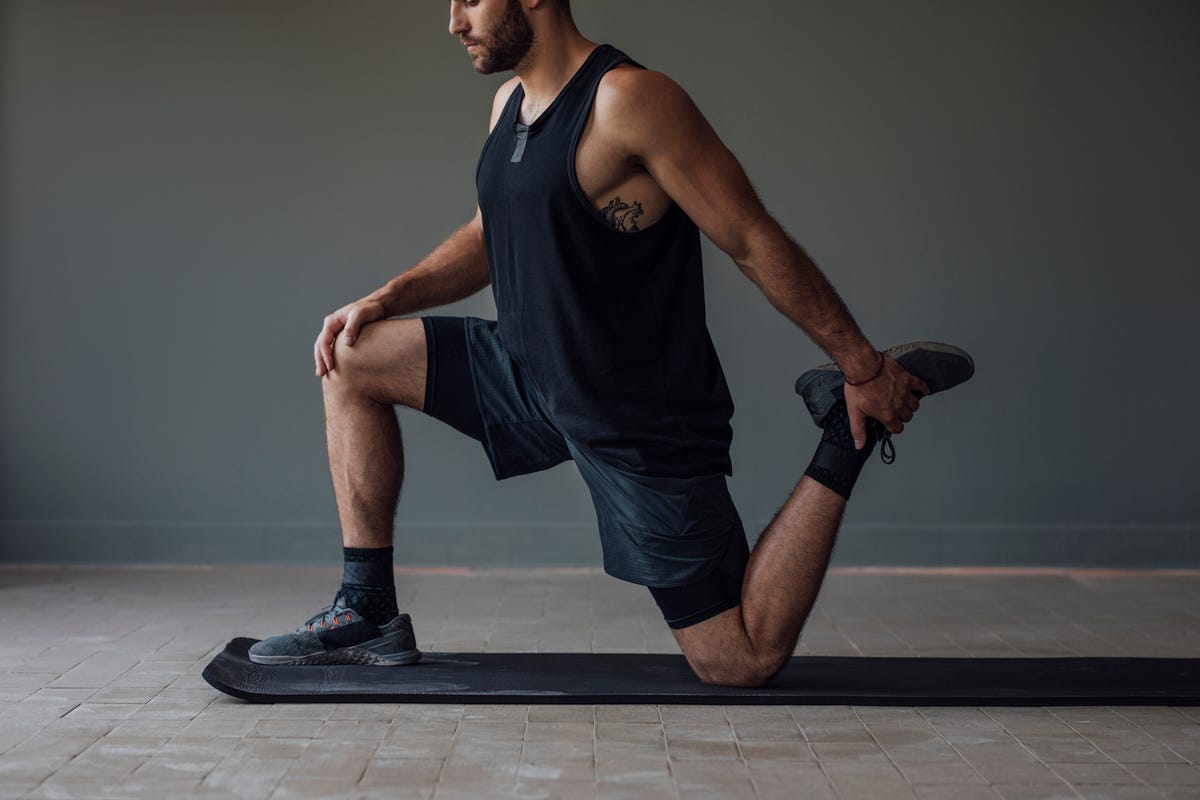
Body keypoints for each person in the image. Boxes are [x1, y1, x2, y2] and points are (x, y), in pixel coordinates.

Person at [247, 0, 974, 687]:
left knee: (739, 662)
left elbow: (751, 238)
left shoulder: (631, 101)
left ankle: (844, 436)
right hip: (527, 371)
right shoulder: (509, 106)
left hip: (633, 415)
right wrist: (382, 300)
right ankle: (367, 612)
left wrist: (863, 366)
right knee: (349, 358)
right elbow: (486, 236)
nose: (452, 22)